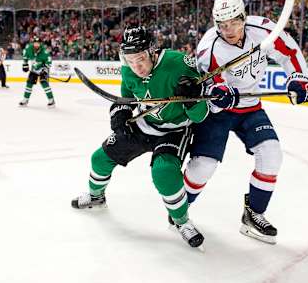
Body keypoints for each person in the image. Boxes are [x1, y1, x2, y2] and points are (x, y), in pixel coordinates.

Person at [175, 0, 308, 244]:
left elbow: (289, 53)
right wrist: (219, 91)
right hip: (219, 112)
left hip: (250, 107)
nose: (229, 30)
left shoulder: (264, 30)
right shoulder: (209, 46)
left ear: (243, 17)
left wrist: (299, 78)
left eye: (234, 23)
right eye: (223, 25)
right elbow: (211, 82)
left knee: (272, 154)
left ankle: (254, 215)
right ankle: (178, 211)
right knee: (204, 166)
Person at [71, 26, 209, 249]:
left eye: (141, 59)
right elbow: (124, 99)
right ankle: (96, 196)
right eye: (130, 60)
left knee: (164, 172)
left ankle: (181, 221)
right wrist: (120, 115)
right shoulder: (128, 70)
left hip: (175, 129)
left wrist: (193, 100)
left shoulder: (180, 63)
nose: (137, 67)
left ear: (153, 51)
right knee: (100, 157)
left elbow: (200, 116)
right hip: (145, 125)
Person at [18, 36, 55, 108]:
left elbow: (49, 61)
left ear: (40, 44)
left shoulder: (44, 51)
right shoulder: (29, 48)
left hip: (43, 68)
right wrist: (25, 64)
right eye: (35, 43)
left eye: (38, 43)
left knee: (44, 83)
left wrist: (45, 70)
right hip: (34, 69)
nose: (36, 45)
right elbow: (25, 56)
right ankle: (25, 99)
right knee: (29, 83)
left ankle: (51, 100)